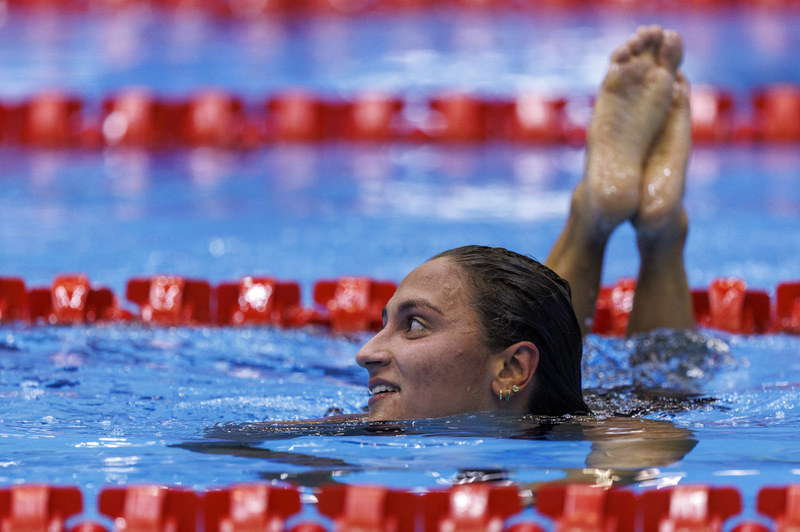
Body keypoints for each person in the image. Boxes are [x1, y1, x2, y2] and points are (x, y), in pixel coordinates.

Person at [356, 25, 695, 421]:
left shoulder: (611, 451)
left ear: (511, 370)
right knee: (659, 401)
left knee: (656, 404)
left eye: (414, 325)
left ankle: (620, 229)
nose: (365, 353)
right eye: (386, 324)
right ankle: (644, 234)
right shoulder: (612, 448)